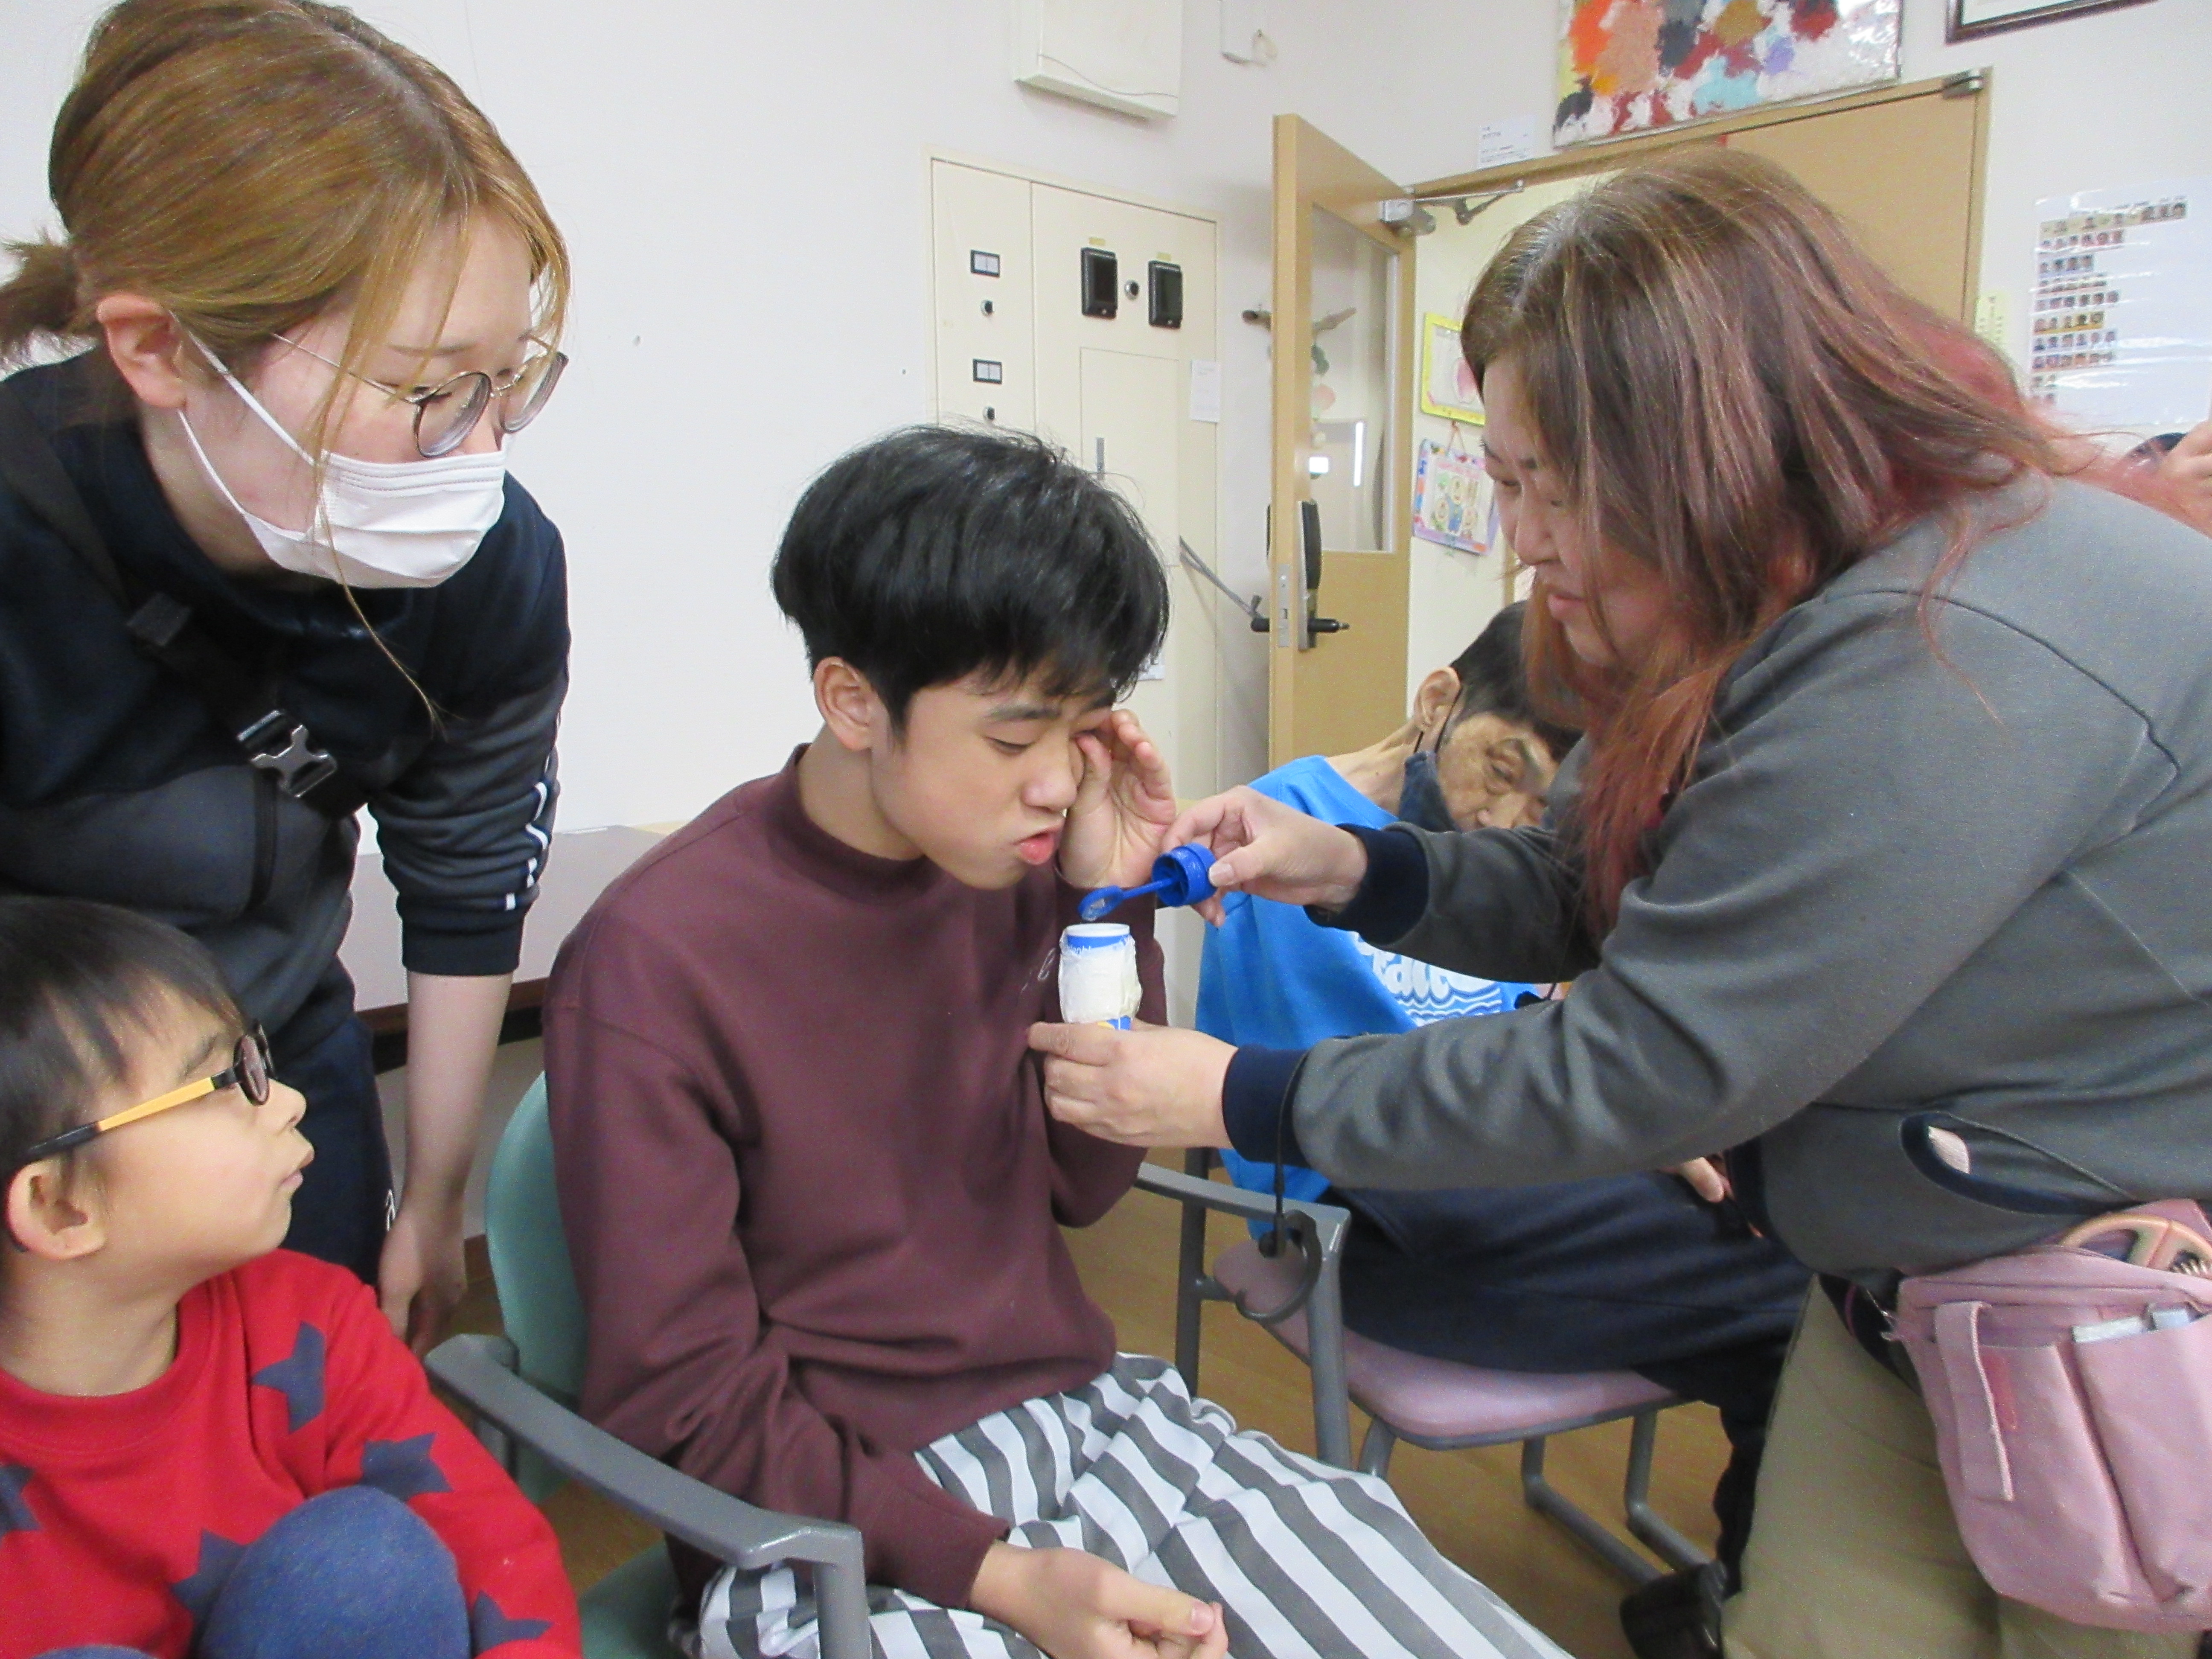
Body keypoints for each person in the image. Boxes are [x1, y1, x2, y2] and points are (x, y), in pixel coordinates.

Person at [1030, 149, 2212, 1659]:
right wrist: (1352, 862)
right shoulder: (1759, 606)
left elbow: (1650, 1062)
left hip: (2109, 1317)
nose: (1520, 537)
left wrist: (1236, 1091)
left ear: (1697, 449)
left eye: (1543, 486)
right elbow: (1584, 883)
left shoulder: (1952, 644)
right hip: (1893, 1296)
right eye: (1502, 481)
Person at [545, 426, 1569, 1659]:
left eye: (1082, 731)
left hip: (1082, 1422)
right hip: (826, 1518)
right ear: (854, 701)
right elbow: (683, 1395)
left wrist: (1107, 905)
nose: (1053, 783)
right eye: (1012, 738)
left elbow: (1087, 1186)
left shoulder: (1023, 870)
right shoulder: (658, 959)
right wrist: (1001, 1578)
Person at [0, 0, 573, 1348]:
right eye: (425, 391)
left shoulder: (489, 566)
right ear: (159, 349)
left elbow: (468, 879)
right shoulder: (21, 538)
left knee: (307, 1422)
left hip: (270, 1068)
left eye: (505, 380)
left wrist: (434, 1198)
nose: (478, 451)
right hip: (38, 1114)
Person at [1198, 602, 1809, 1637]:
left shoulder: (1518, 870)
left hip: (1500, 1158)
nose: (1511, 815)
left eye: (1551, 798)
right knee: (1794, 1298)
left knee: (1787, 1275)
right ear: (1438, 699)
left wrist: (1632, 1107)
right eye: (1503, 766)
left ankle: (1741, 1601)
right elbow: (1298, 1092)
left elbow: (1539, 1049)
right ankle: (1744, 1609)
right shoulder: (1281, 823)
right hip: (1357, 1203)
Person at [0, 896, 577, 1659]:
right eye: (223, 1084)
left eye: (258, 1062)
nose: (291, 1103)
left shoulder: (309, 1324)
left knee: (367, 1560)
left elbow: (497, 1549)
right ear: (59, 1206)